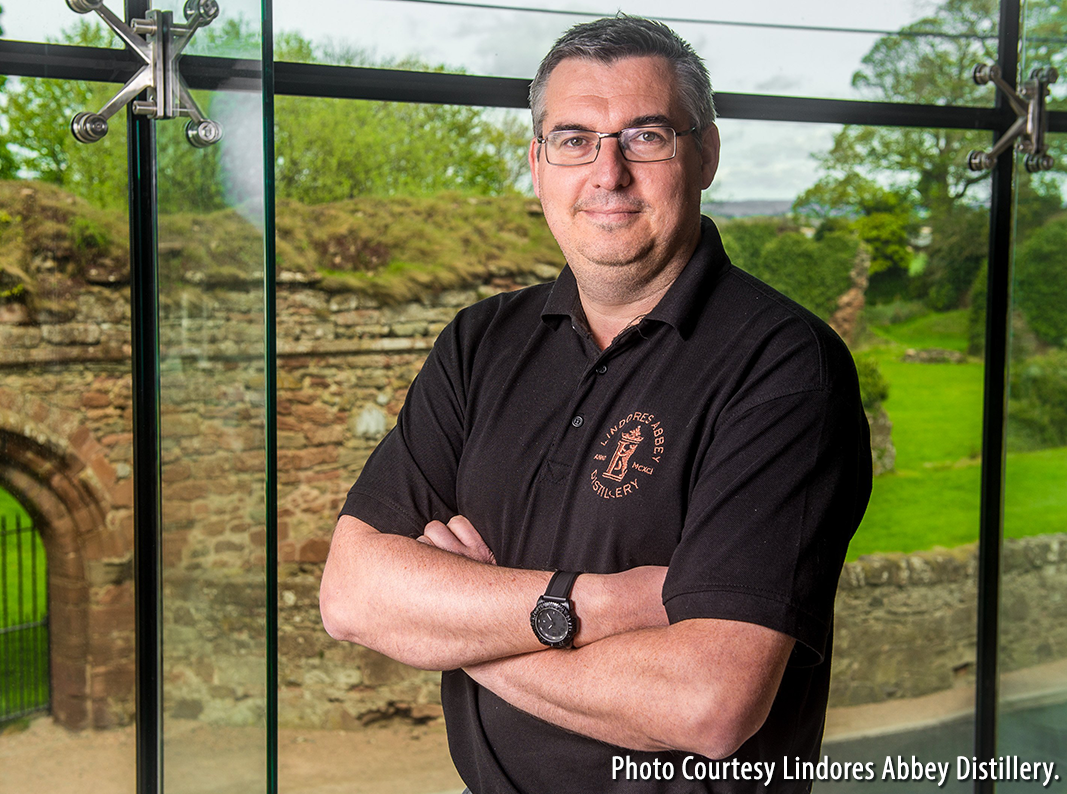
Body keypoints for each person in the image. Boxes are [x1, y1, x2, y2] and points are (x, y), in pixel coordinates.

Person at [320, 14, 872, 794]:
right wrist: (602, 604)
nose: (607, 173)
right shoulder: (481, 343)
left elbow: (708, 702)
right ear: (538, 163)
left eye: (646, 136)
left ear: (705, 153)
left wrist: (455, 628)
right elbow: (352, 595)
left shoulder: (784, 366)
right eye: (575, 139)